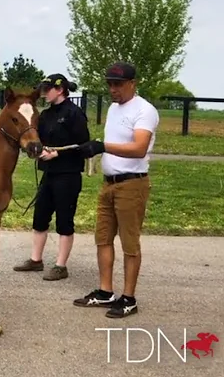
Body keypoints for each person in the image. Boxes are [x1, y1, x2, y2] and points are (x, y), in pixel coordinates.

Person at [72, 61, 159, 318]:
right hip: (109, 184)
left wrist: (103, 147)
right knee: (103, 238)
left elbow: (139, 147)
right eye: (109, 84)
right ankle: (105, 291)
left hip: (133, 184)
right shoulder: (113, 109)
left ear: (133, 83)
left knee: (130, 243)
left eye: (118, 84)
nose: (113, 89)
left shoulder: (145, 111)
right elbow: (113, 142)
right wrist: (97, 151)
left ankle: (129, 297)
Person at [13, 73, 90, 281]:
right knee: (40, 218)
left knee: (64, 221)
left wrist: (57, 153)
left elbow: (83, 145)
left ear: (60, 89)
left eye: (48, 89)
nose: (44, 93)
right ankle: (36, 260)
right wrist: (35, 150)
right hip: (49, 174)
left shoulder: (75, 114)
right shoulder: (45, 115)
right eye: (44, 89)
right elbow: (37, 137)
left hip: (68, 175)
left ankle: (60, 265)